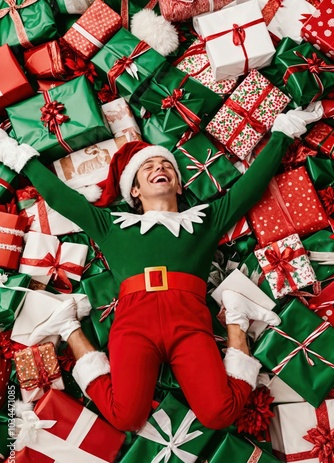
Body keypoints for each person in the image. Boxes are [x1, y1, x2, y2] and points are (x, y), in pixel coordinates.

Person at [0, 103, 323, 431]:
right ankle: (69, 328)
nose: (160, 166)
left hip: (190, 324)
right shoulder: (112, 225)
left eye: (167, 164)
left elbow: (249, 187)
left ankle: (237, 320)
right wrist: (18, 156)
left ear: (180, 186)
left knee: (219, 414)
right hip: (134, 325)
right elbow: (60, 197)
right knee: (127, 417)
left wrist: (284, 131)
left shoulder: (205, 221)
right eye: (149, 165)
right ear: (134, 190)